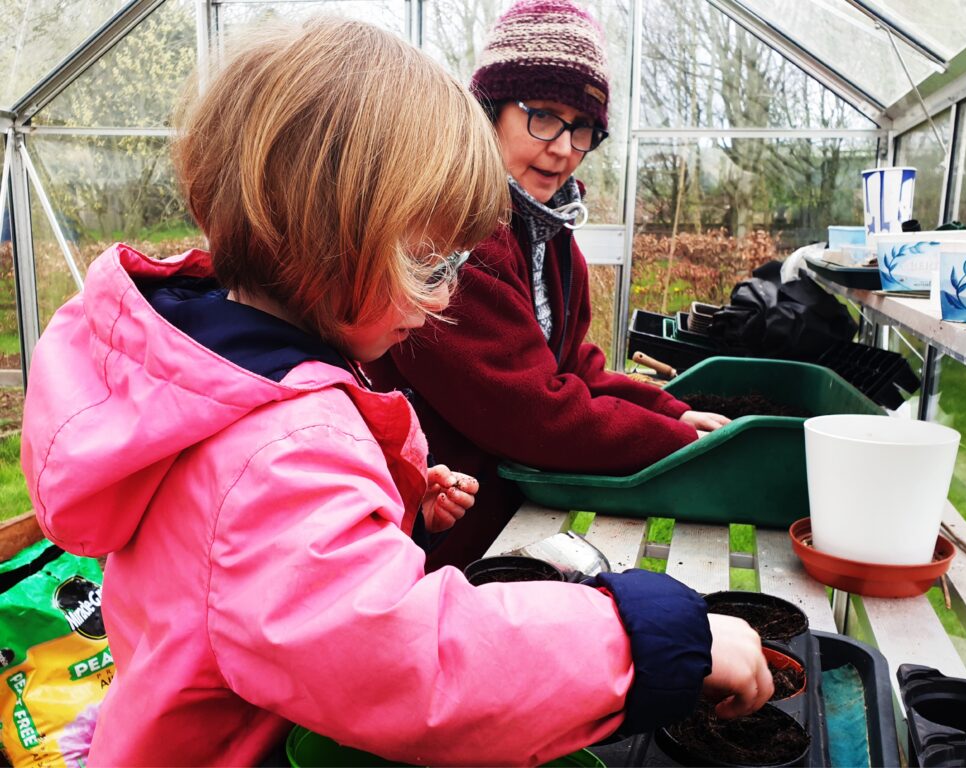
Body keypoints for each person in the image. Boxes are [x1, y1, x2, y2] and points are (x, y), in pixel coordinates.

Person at [20, 17, 771, 767]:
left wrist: (390, 495)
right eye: (428, 262)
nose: (442, 298)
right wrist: (653, 639)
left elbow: (246, 560)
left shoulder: (217, 382)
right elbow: (417, 665)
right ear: (334, 235)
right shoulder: (282, 454)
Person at [367, 0, 730, 570]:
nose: (563, 147)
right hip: (437, 532)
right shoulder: (458, 234)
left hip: (505, 516)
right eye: (543, 116)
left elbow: (574, 365)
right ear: (491, 112)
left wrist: (671, 413)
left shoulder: (548, 230)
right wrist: (680, 447)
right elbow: (533, 411)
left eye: (582, 127)